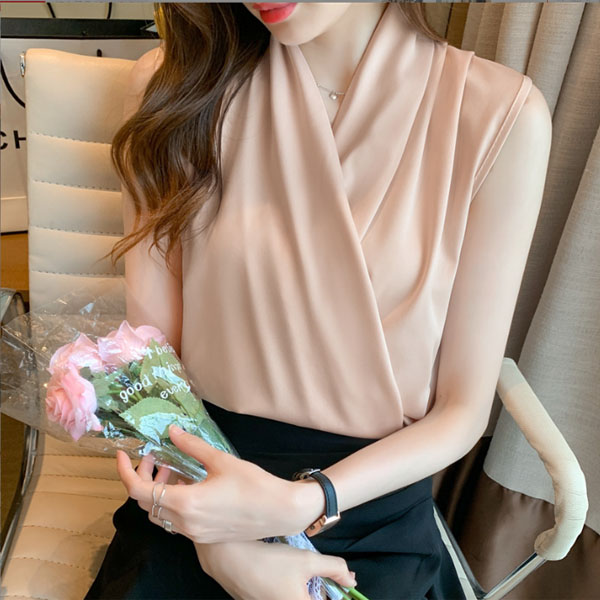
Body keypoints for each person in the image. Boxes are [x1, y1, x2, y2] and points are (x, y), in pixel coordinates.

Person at [85, 2, 552, 599]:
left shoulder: (499, 115)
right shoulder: (177, 86)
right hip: (198, 484)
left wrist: (303, 501)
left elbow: (462, 410)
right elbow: (149, 369)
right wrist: (224, 551)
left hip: (370, 506)